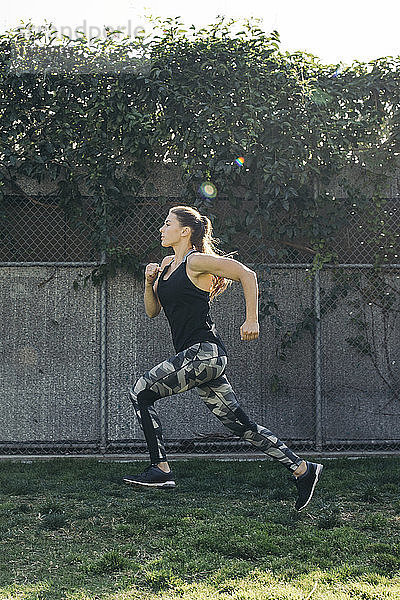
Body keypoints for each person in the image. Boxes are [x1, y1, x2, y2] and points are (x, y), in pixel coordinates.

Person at [123, 205, 323, 511]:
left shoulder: (197, 261)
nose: (162, 229)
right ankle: (302, 469)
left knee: (140, 391)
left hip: (204, 353)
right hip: (199, 359)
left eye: (167, 224)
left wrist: (252, 319)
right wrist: (149, 282)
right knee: (241, 425)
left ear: (184, 231)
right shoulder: (166, 265)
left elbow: (247, 273)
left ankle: (160, 470)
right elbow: (153, 311)